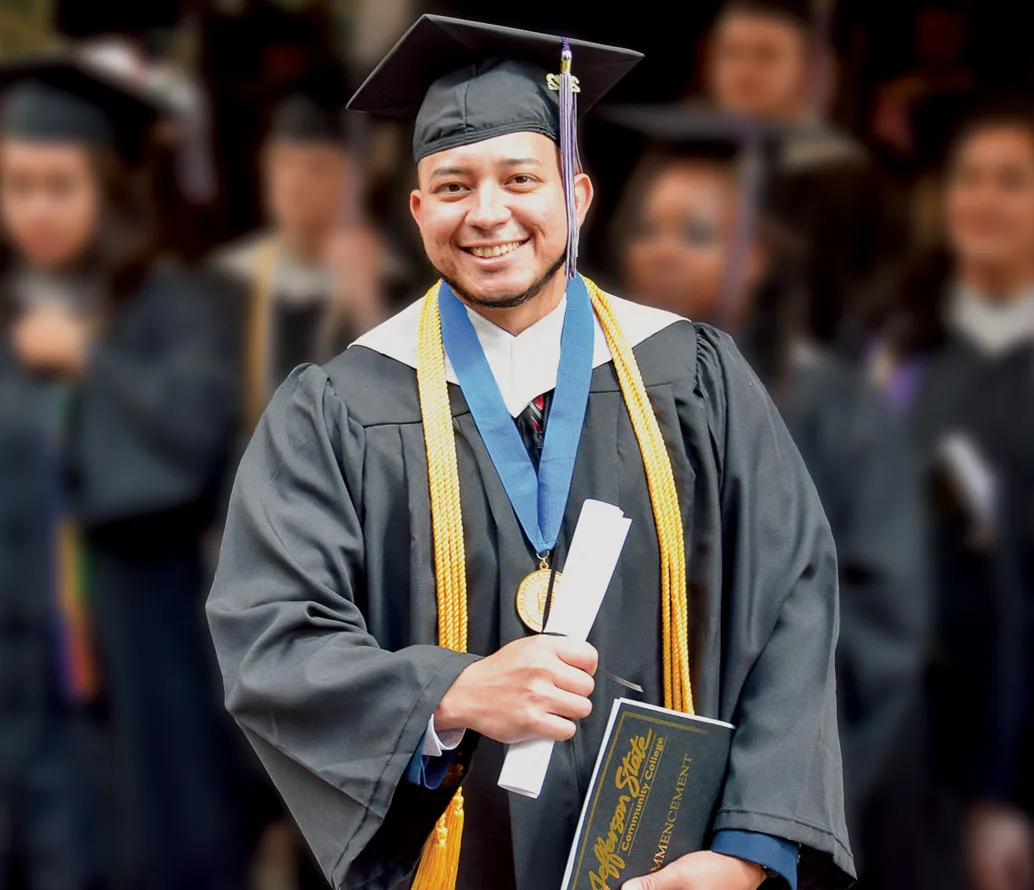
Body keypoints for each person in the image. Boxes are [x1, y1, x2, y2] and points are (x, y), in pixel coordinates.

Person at [207, 16, 855, 890]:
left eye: (520, 178)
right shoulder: (335, 410)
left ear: (577, 196)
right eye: (452, 184)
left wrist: (746, 855)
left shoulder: (695, 378)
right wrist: (449, 694)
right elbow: (270, 635)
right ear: (417, 208)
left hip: (670, 867)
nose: (487, 213)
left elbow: (793, 602)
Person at [614, 106, 929, 890]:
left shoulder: (838, 413)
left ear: (757, 256)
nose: (659, 252)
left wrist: (760, 818)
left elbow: (879, 634)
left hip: (775, 830)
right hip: (608, 809)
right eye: (648, 228)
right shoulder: (586, 403)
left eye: (695, 233)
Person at [0, 55, 248, 890]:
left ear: (108, 185)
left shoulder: (171, 304)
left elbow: (193, 446)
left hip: (140, 649)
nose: (34, 209)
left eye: (59, 185)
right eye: (16, 184)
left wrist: (91, 362)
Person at [868, 103, 1034, 890]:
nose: (985, 201)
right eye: (969, 179)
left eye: (1014, 181)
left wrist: (1010, 796)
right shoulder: (901, 347)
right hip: (891, 740)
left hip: (1001, 751)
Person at [704, 0, 902, 345]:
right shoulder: (685, 156)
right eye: (731, 53)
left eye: (766, 56)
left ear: (812, 72)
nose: (745, 72)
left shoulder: (845, 178)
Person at [212, 69, 390, 432]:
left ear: (356, 180)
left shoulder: (395, 287)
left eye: (318, 168)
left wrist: (368, 309)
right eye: (284, 163)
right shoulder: (223, 284)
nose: (295, 184)